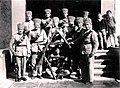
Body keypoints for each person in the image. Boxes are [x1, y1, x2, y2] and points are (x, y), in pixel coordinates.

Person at [72, 18, 99, 84]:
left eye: (88, 24)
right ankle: (84, 78)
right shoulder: (83, 32)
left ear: (90, 25)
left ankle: (90, 79)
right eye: (85, 24)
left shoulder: (93, 33)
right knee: (83, 65)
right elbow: (80, 39)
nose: (86, 26)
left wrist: (93, 52)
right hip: (83, 49)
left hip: (89, 49)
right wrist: (73, 42)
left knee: (90, 65)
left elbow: (96, 44)